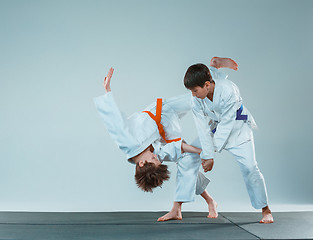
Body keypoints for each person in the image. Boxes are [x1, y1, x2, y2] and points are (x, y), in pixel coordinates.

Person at [94, 57, 237, 221]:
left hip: (161, 111)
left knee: (199, 95)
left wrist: (107, 90)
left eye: (154, 159)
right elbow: (179, 148)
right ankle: (205, 201)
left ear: (142, 163)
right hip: (166, 132)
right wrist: (203, 152)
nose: (157, 157)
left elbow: (113, 121)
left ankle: (213, 70)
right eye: (157, 159)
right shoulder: (153, 156)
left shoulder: (125, 142)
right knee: (186, 161)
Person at [184, 61, 274, 223]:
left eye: (195, 90)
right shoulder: (196, 99)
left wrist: (210, 156)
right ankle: (209, 200)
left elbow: (227, 124)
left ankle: (265, 209)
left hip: (238, 128)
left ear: (206, 85)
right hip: (216, 127)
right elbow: (202, 127)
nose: (193, 94)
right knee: (187, 158)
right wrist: (206, 153)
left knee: (250, 168)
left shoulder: (228, 90)